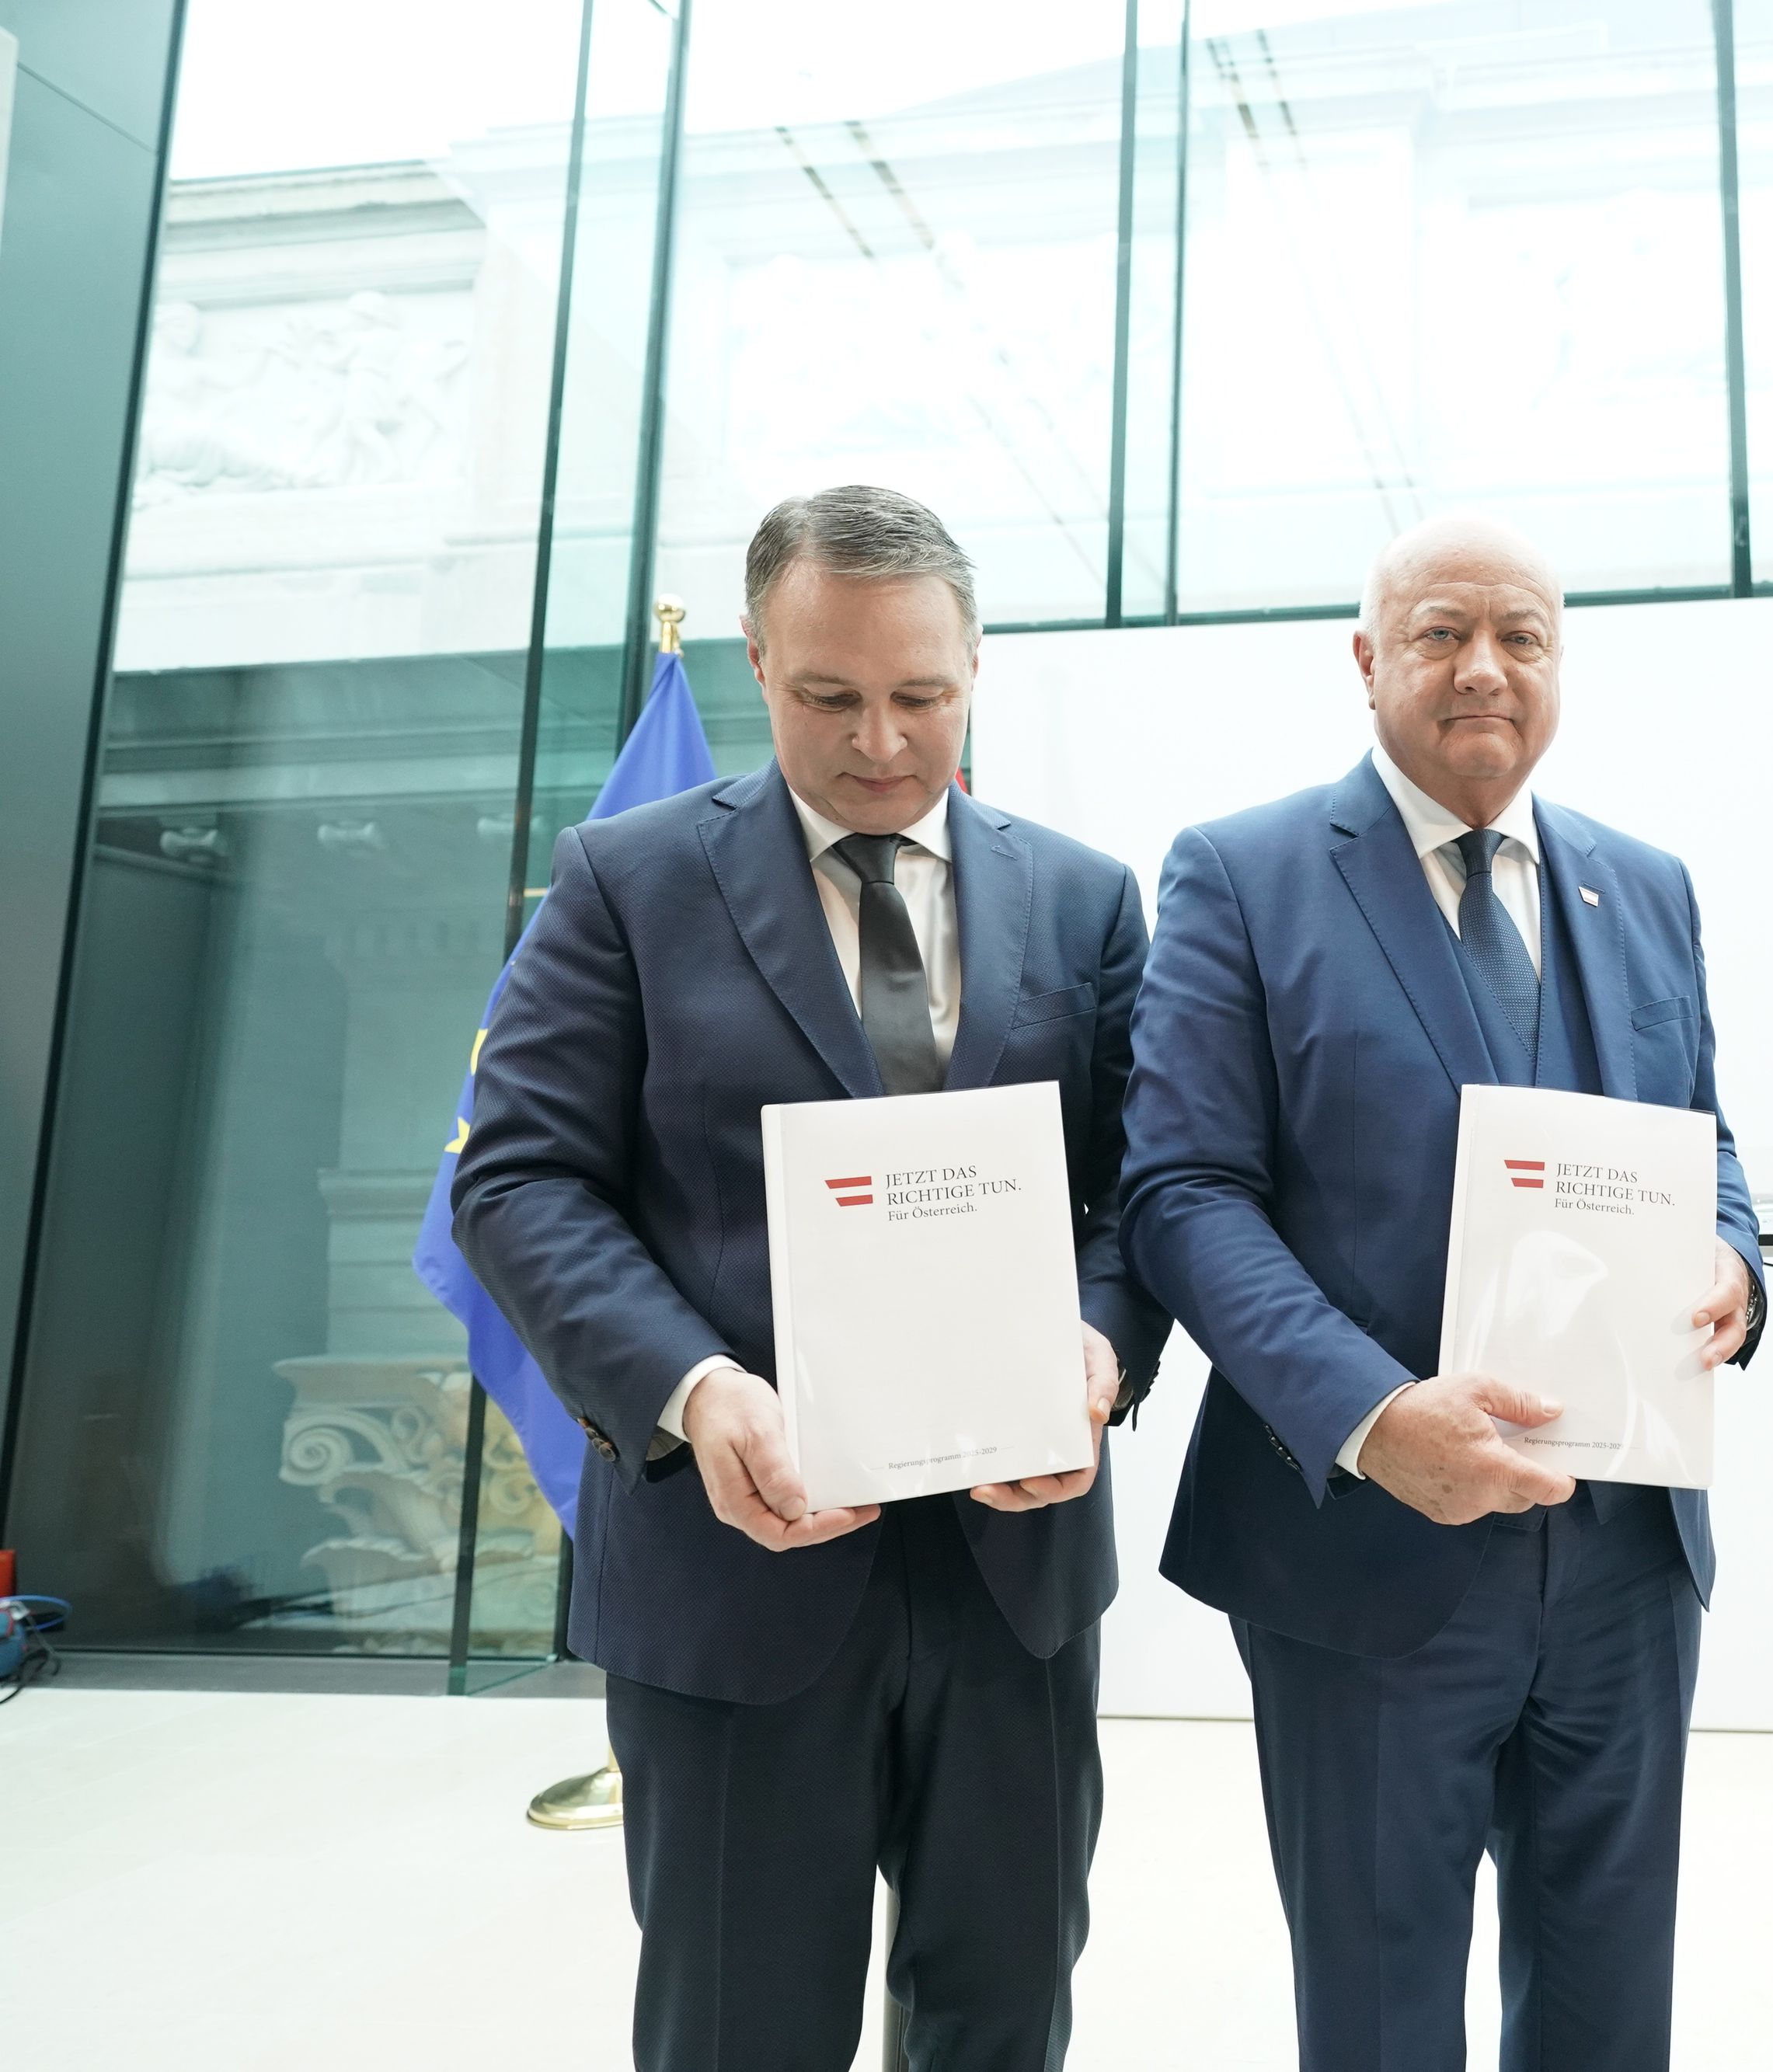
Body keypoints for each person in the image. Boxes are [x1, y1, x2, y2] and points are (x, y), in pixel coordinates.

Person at [453, 486, 1165, 2072]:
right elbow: (517, 1177)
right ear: (756, 660)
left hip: (1013, 1577)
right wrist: (693, 1390)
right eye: (827, 694)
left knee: (1001, 2007)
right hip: (730, 1568)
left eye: (922, 694)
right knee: (738, 2024)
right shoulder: (627, 880)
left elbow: (1135, 1193)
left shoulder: (1085, 895)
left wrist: (1099, 1353)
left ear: (974, 664)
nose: (881, 739)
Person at [1120, 513, 1768, 2072]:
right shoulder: (1242, 874)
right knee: (1380, 2007)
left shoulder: (1646, 883)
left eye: (1521, 635)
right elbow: (1181, 1189)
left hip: (1621, 1555)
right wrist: (1368, 1410)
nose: (1483, 667)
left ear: (1557, 663)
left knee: (1612, 2007)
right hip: (1361, 1555)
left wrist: (1733, 1257)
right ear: (1365, 659)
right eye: (1438, 632)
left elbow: (1704, 1139)